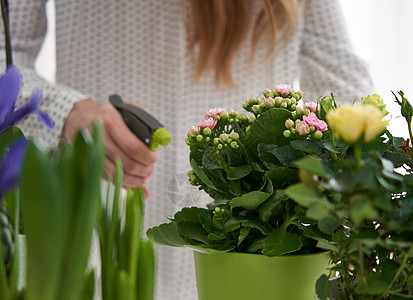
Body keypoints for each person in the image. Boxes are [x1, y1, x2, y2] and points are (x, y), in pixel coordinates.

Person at [1, 0, 373, 299]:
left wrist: (344, 198)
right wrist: (68, 111)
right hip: (94, 239)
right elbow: (6, 51)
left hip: (246, 247)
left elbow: (343, 87)